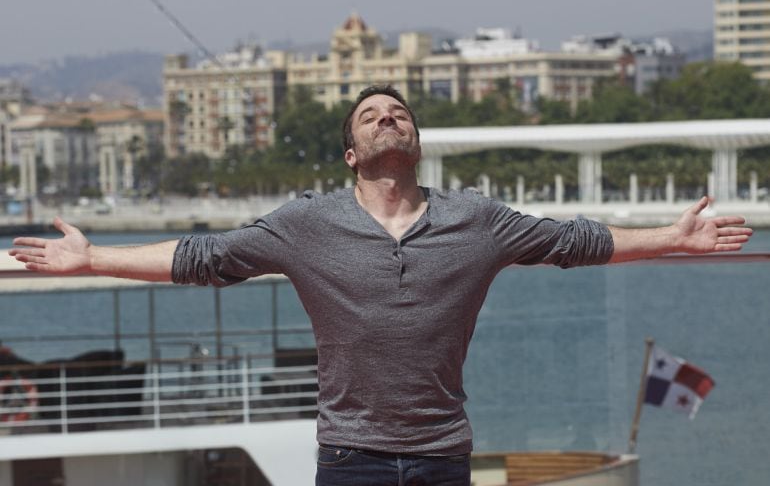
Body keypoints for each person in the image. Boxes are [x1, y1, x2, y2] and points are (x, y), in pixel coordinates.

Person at [8, 85, 752, 486]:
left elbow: (575, 242)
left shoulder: (479, 221)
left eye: (399, 113)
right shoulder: (304, 226)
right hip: (349, 458)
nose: (388, 118)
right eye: (371, 115)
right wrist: (93, 258)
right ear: (350, 152)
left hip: (441, 455)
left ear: (414, 142)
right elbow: (204, 256)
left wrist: (672, 238)